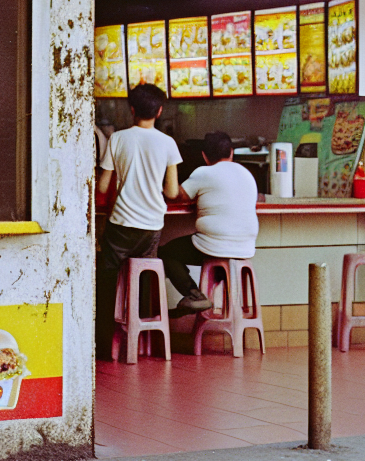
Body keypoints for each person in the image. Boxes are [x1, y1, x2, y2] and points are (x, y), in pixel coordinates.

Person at [95, 83, 207, 358]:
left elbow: (102, 186)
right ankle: (145, 342)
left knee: (108, 278)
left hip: (120, 224)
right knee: (145, 278)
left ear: (131, 109)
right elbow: (171, 191)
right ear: (159, 111)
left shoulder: (118, 138)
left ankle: (102, 345)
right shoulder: (167, 143)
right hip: (151, 227)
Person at [158, 131, 259, 317]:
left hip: (213, 245)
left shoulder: (203, 173)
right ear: (231, 152)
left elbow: (176, 195)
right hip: (245, 248)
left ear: (204, 155)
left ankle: (194, 295)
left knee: (166, 253)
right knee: (214, 259)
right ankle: (202, 297)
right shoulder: (247, 174)